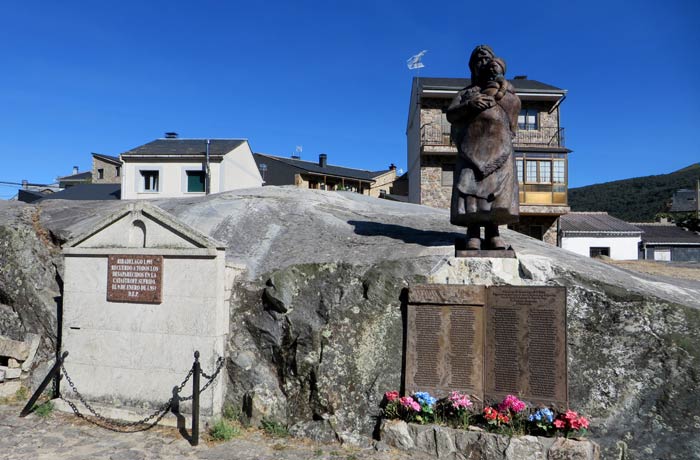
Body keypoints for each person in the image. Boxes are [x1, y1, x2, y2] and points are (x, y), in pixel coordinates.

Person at [447, 45, 521, 250]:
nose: (483, 63)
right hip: (471, 150)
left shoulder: (506, 90)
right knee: (471, 190)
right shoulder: (467, 93)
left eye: (486, 59)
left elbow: (514, 113)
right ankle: (472, 233)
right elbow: (451, 114)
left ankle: (493, 232)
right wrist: (470, 105)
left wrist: (502, 90)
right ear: (471, 66)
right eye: (478, 60)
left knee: (495, 194)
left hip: (499, 149)